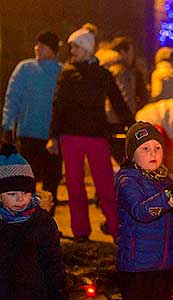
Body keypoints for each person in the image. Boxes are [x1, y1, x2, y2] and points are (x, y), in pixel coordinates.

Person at [47, 25, 133, 242]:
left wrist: (132, 125)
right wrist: (53, 136)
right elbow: (59, 105)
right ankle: (81, 232)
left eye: (75, 46)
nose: (72, 51)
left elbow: (117, 101)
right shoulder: (67, 73)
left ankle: (117, 230)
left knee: (104, 185)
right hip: (71, 135)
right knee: (75, 187)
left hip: (96, 135)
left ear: (86, 47)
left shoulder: (102, 74)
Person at [115, 121, 173, 300]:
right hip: (136, 269)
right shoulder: (127, 181)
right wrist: (168, 197)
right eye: (145, 148)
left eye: (158, 147)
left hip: (164, 266)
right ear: (132, 155)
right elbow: (140, 211)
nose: (153, 153)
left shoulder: (165, 182)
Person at [2, 31, 63, 215]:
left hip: (52, 136)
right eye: (37, 44)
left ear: (52, 49)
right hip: (28, 133)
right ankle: (26, 220)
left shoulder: (62, 71)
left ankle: (46, 222)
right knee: (28, 180)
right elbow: (13, 97)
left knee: (52, 181)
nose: (37, 48)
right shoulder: (25, 68)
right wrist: (7, 124)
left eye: (43, 45)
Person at [0, 142, 66, 299]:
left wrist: (59, 294)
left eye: (25, 192)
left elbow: (54, 264)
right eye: (12, 194)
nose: (20, 199)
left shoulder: (42, 222)